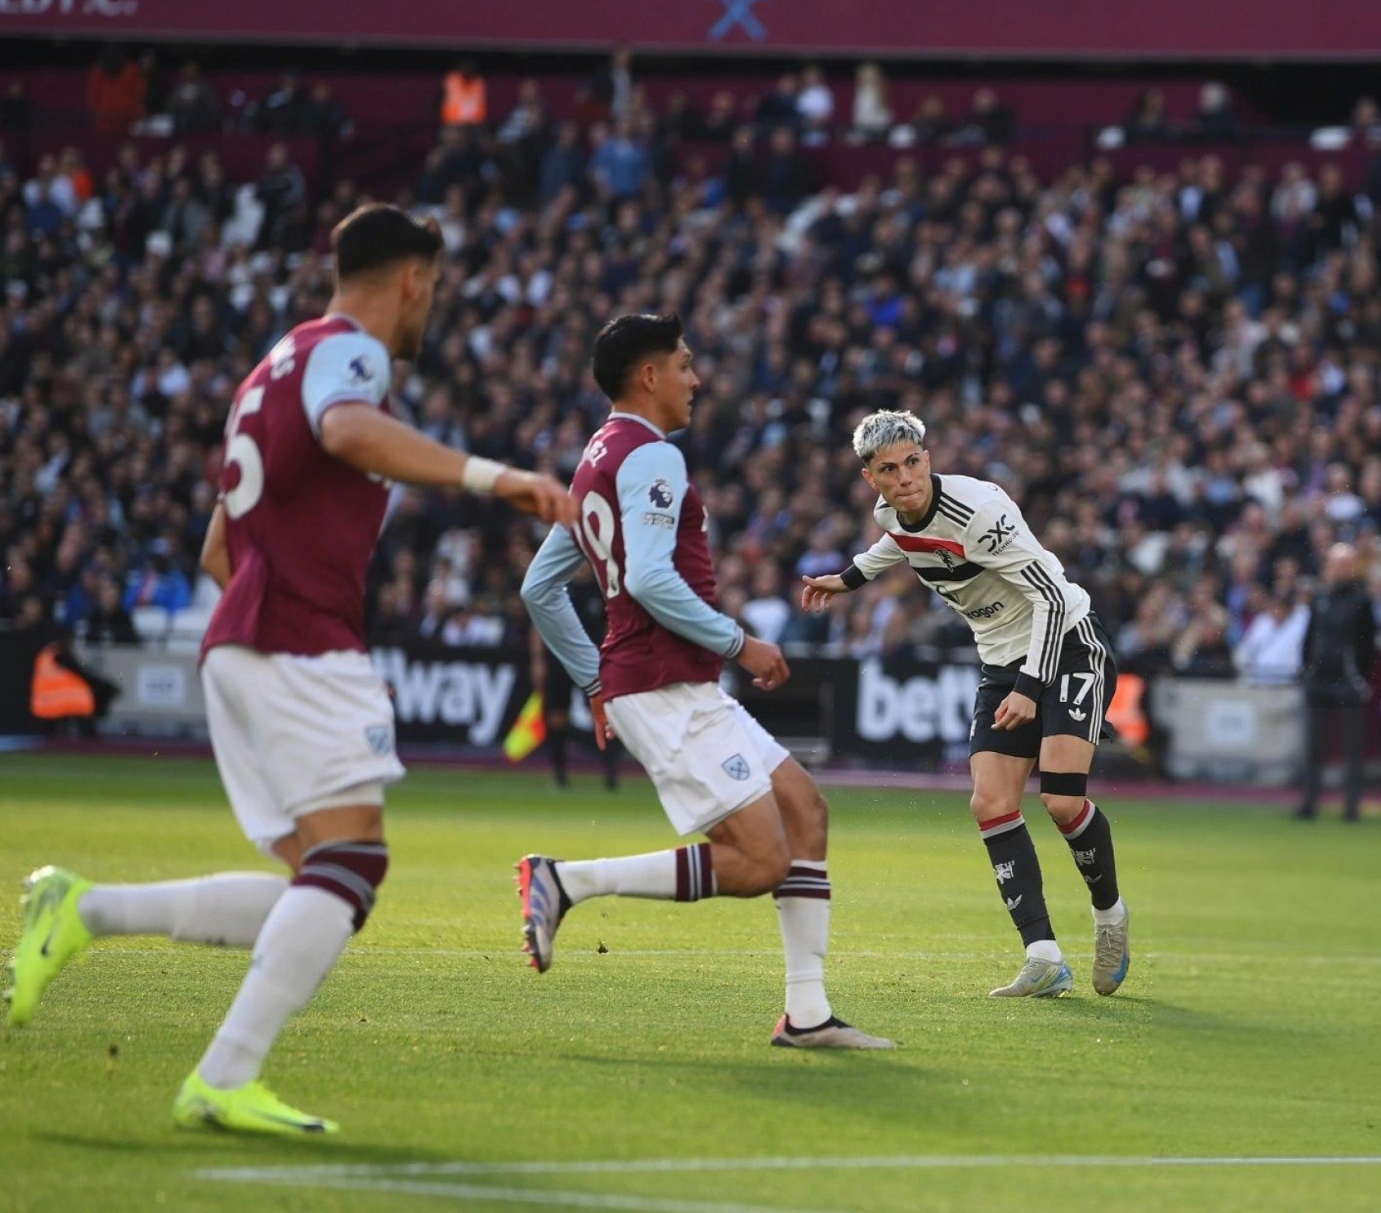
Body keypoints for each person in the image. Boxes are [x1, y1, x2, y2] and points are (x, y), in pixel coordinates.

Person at [6, 205, 577, 1134]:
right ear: (412, 281)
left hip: (248, 632)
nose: (430, 302)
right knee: (351, 866)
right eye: (432, 286)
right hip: (292, 634)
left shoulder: (272, 365)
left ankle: (85, 910)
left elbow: (215, 547)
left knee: (322, 882)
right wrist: (494, 478)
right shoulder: (351, 355)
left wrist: (293, 632)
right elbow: (351, 432)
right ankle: (223, 1075)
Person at [516, 313, 891, 1052]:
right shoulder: (652, 458)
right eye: (684, 365)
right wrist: (739, 642)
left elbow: (539, 588)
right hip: (664, 685)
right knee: (759, 862)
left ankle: (808, 1014)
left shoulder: (596, 459)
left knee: (805, 811)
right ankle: (565, 882)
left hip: (662, 683)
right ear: (648, 375)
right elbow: (651, 577)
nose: (696, 379)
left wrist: (594, 682)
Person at [800, 410, 1130, 1001]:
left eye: (913, 462)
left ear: (928, 458)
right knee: (990, 803)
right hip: (1002, 661)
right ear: (870, 477)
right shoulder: (889, 513)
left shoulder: (980, 511)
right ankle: (1044, 957)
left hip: (1070, 641)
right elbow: (896, 541)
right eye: (888, 470)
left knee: (1060, 798)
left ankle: (1109, 918)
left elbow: (1052, 598)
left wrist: (1031, 688)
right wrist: (846, 580)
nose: (905, 478)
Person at [1296, 544, 1377, 822]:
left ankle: (1351, 806)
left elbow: (1368, 644)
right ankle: (1309, 804)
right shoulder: (1319, 598)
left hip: (1348, 680)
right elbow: (1310, 636)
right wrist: (1307, 667)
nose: (1338, 568)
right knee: (1313, 747)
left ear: (1352, 567)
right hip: (1318, 678)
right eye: (1334, 563)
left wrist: (1361, 676)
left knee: (1352, 748)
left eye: (1344, 564)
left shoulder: (1361, 601)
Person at [528, 565, 619, 793]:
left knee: (603, 715)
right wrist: (538, 659)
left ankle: (610, 774)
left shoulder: (600, 588)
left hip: (593, 661)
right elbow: (539, 622)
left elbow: (613, 624)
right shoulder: (559, 586)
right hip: (558, 661)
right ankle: (560, 774)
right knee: (557, 716)